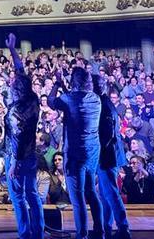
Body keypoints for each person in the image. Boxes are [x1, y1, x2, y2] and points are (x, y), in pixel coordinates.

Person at [49, 63, 103, 239]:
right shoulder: (96, 98)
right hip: (93, 151)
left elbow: (51, 102)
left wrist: (57, 84)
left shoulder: (68, 99)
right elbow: (73, 99)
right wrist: (65, 86)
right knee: (91, 192)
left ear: (73, 81)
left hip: (74, 154)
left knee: (77, 198)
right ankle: (100, 231)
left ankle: (82, 235)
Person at [6, 33, 45, 239]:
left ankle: (25, 234)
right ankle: (38, 233)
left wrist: (13, 163)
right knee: (32, 195)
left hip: (17, 156)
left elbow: (16, 139)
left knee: (18, 197)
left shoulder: (16, 112)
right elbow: (20, 71)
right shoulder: (34, 99)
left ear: (16, 92)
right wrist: (12, 50)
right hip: (31, 155)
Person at [93, 73, 130, 239]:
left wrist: (98, 154)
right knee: (105, 193)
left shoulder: (103, 105)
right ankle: (105, 228)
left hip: (108, 155)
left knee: (111, 193)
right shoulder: (105, 102)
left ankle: (123, 228)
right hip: (109, 154)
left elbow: (107, 134)